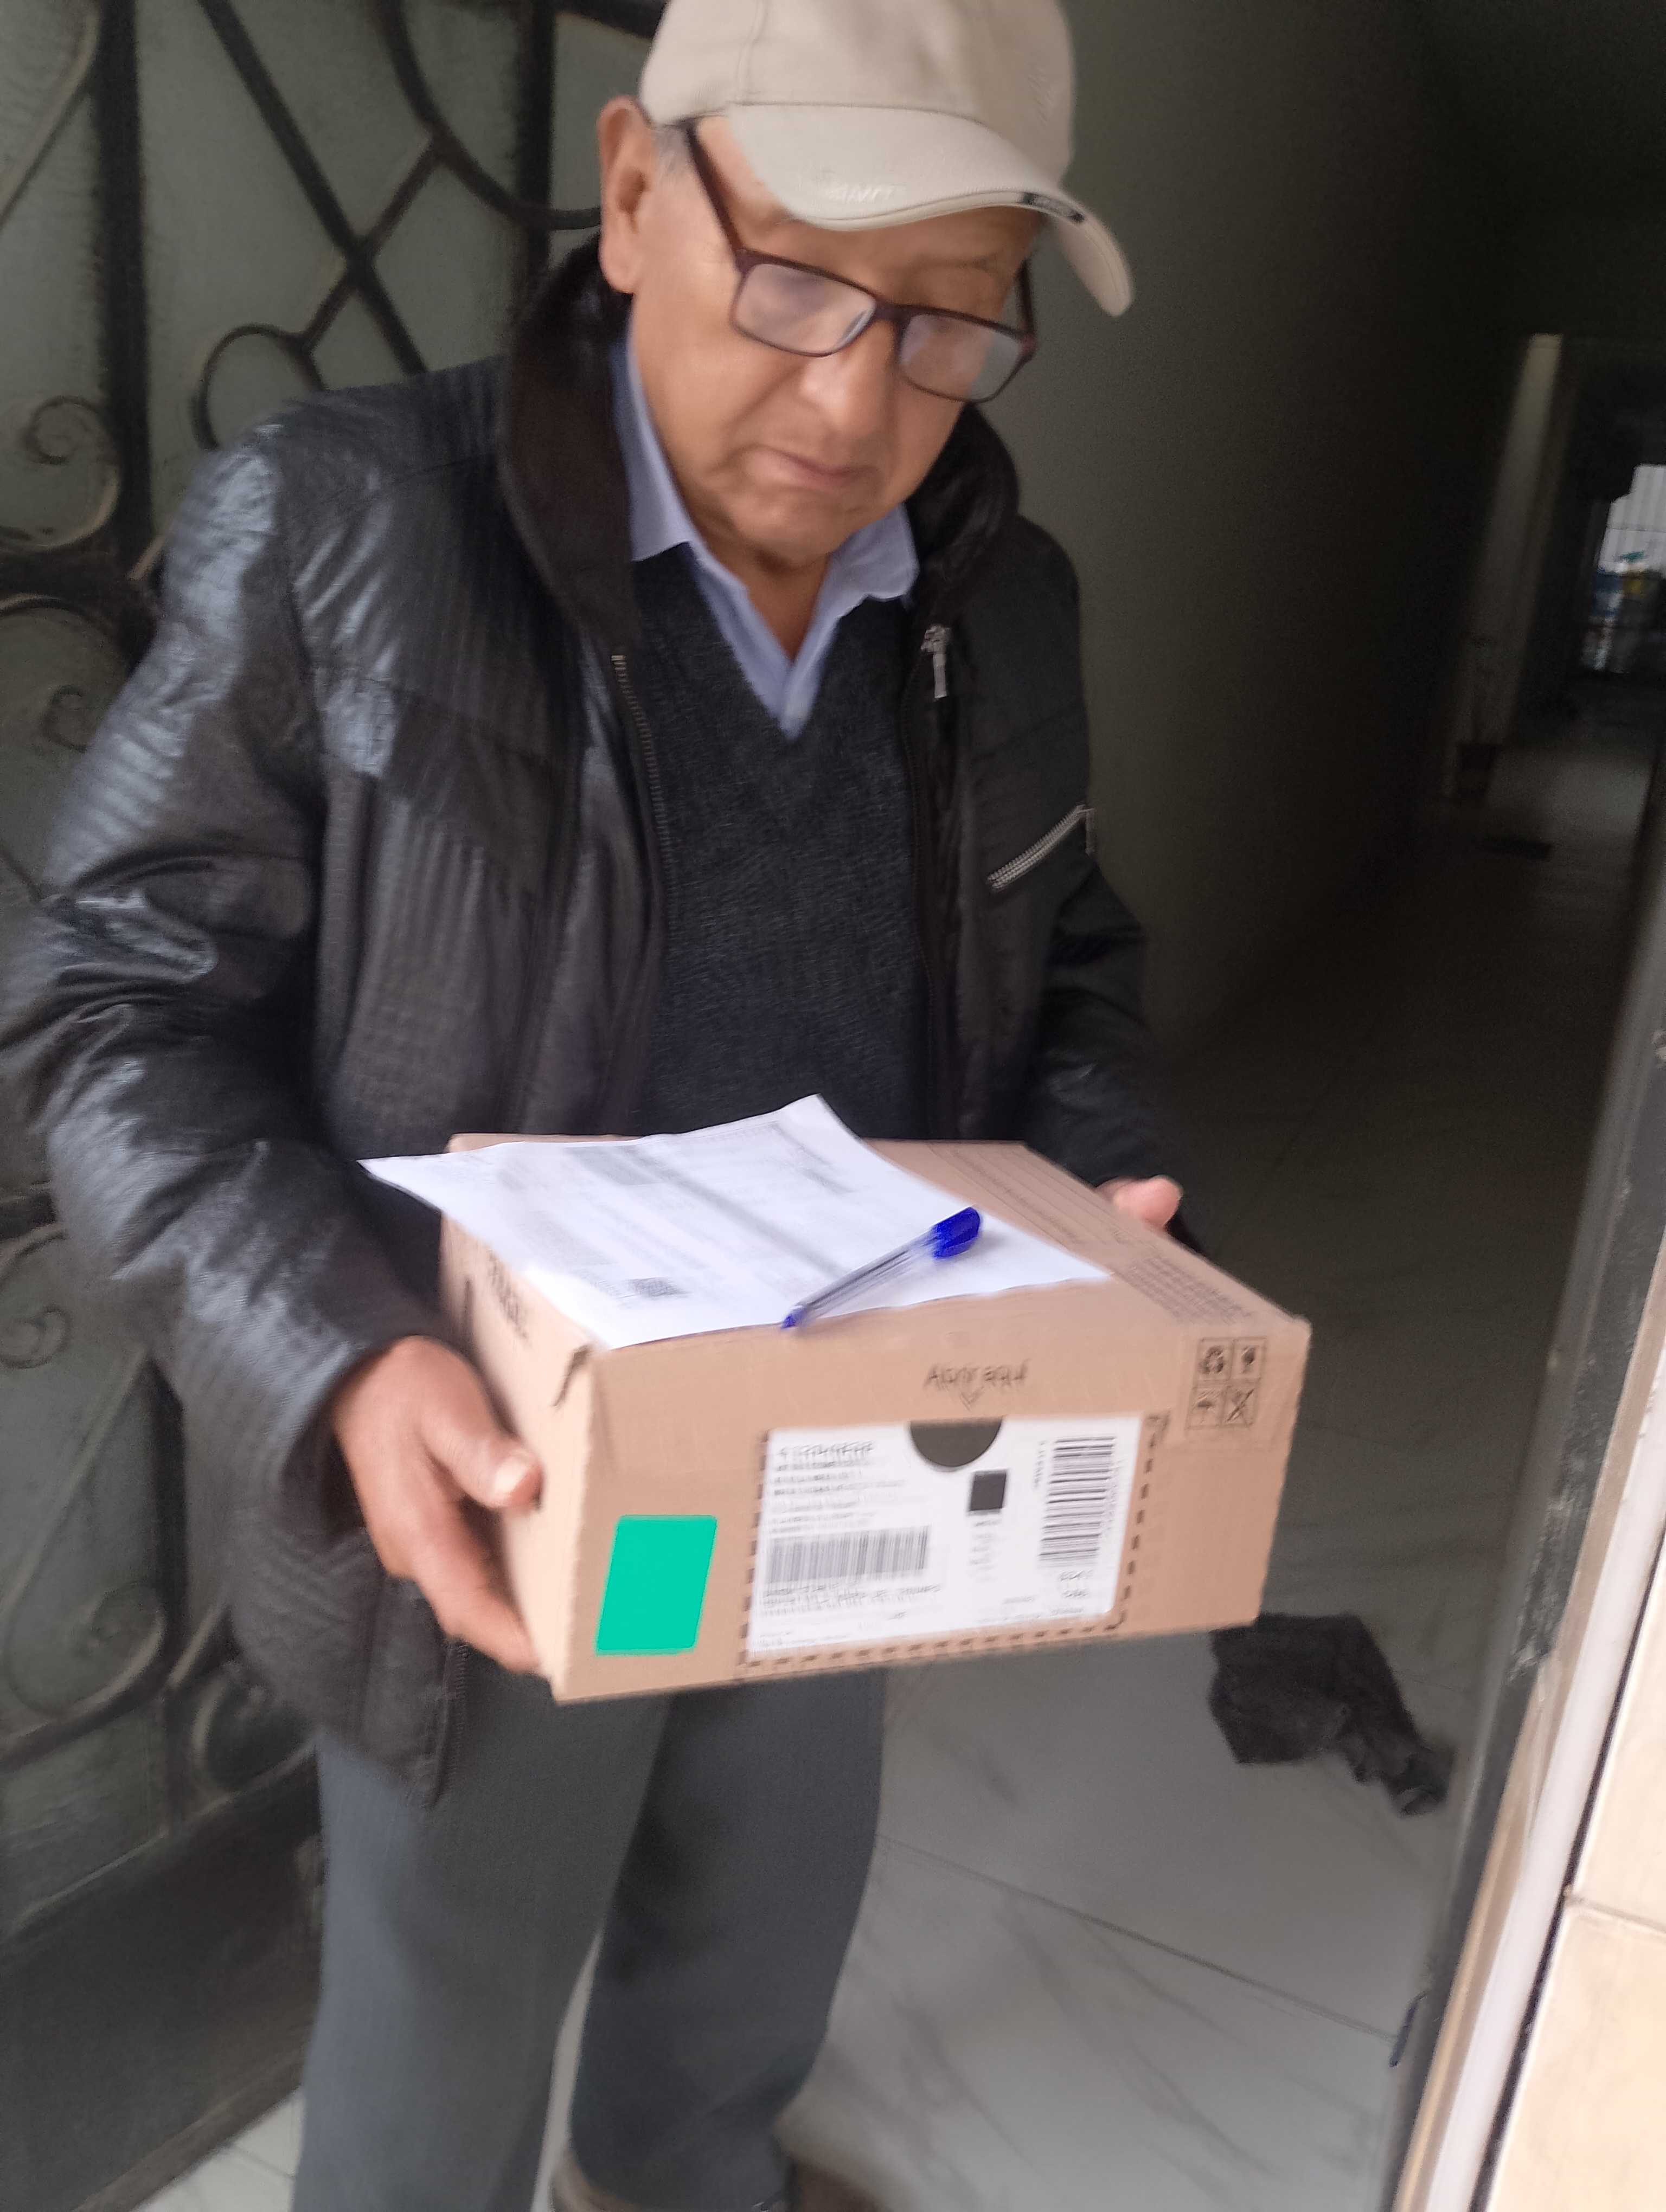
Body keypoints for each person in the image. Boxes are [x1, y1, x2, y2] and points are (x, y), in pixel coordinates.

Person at [0, 2, 1183, 2207]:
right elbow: (108, 1009)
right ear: (636, 194)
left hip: (843, 1429)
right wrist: (338, 1356)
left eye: (948, 322)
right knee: (443, 2041)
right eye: (799, 281)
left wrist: (1097, 1175)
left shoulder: (1003, 602)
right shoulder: (349, 525)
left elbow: (1069, 938)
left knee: (758, 1935)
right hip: (498, 1468)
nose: (855, 404)